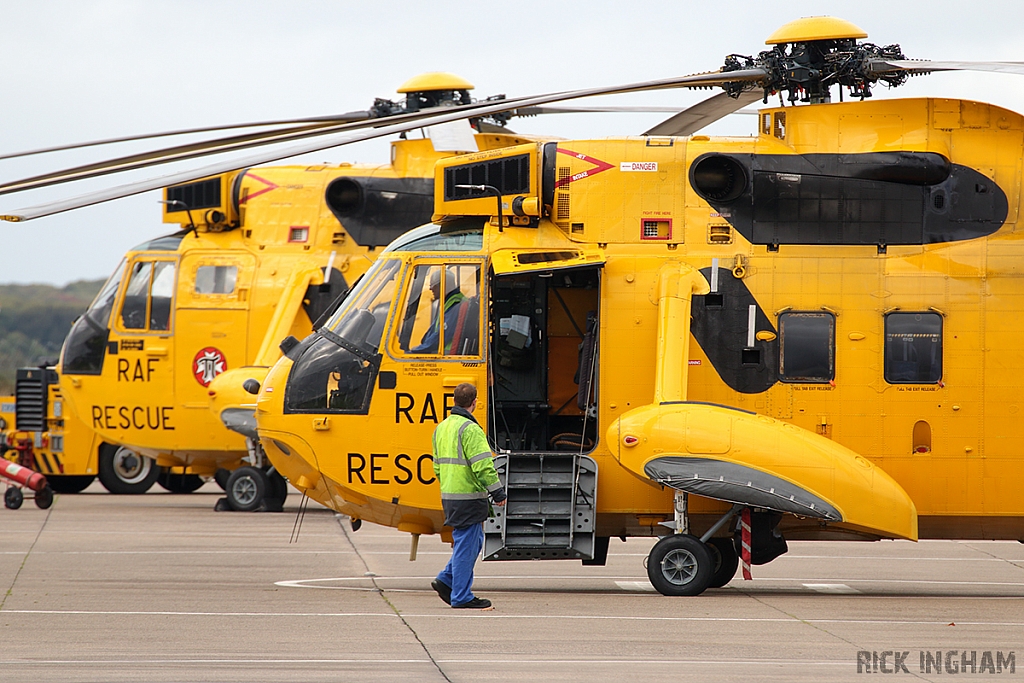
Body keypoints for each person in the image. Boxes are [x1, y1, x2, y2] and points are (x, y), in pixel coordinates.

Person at [431, 383, 506, 609]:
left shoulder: (441, 428)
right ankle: (461, 596)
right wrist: (497, 491)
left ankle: (446, 579)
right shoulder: (471, 429)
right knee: (467, 545)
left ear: (454, 400)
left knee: (471, 541)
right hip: (469, 496)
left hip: (450, 495)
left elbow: (436, 467)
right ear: (475, 402)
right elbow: (483, 466)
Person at [411, 268, 465, 354]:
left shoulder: (455, 304)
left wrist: (418, 350)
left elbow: (442, 335)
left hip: (445, 355)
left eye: (434, 286)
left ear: (443, 286)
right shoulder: (450, 302)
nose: (431, 289)